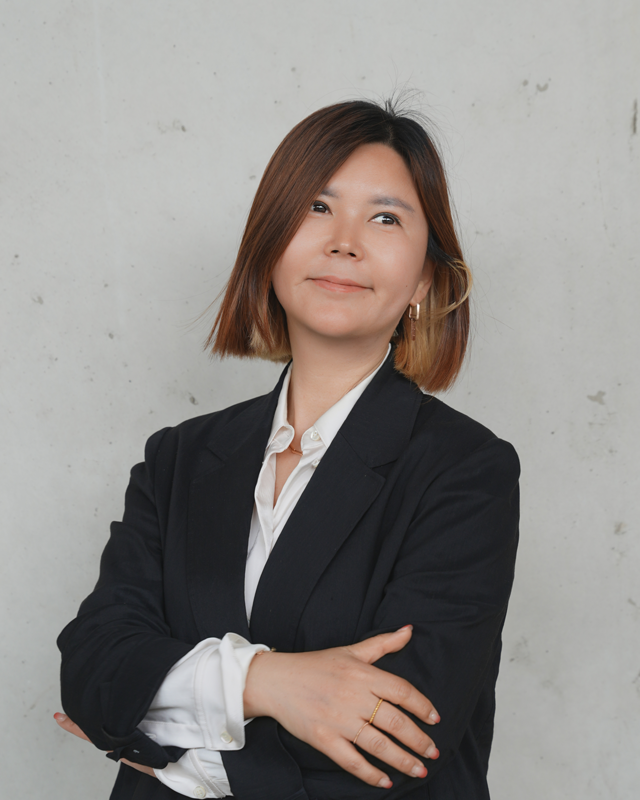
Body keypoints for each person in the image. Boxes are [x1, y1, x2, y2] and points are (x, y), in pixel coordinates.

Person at [55, 99, 520, 800]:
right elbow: (94, 670)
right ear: (270, 244)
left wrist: (167, 753)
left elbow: (399, 739)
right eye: (317, 207)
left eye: (386, 218)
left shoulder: (467, 470)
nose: (345, 242)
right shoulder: (178, 459)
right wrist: (270, 683)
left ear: (425, 279)